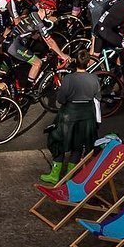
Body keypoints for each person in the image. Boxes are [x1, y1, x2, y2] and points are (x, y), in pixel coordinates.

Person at [38, 49, 101, 185]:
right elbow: (97, 98)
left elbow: (61, 99)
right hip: (87, 114)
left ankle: (55, 174)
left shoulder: (68, 78)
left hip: (69, 113)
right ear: (88, 63)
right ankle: (70, 175)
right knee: (78, 145)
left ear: (75, 62)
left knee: (57, 141)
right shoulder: (94, 78)